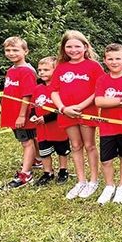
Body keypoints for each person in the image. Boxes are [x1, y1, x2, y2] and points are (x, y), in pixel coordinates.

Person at [50, 30, 104, 200]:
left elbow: (98, 90)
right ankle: (81, 180)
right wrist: (63, 108)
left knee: (89, 145)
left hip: (86, 112)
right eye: (69, 46)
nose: (73, 50)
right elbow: (53, 90)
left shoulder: (94, 66)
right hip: (66, 113)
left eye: (77, 46)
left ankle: (93, 180)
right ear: (63, 48)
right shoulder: (61, 67)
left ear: (85, 47)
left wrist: (80, 106)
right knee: (75, 145)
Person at [94, 44, 122, 204]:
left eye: (118, 58)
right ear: (105, 61)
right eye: (110, 59)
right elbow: (98, 101)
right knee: (106, 159)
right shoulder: (102, 79)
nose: (114, 62)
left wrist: (110, 101)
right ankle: (109, 186)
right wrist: (120, 99)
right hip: (107, 127)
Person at [1, 36, 38, 188]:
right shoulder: (11, 70)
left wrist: (22, 115)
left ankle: (26, 174)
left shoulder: (27, 71)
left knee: (26, 142)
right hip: (12, 113)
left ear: (25, 51)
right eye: (8, 50)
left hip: (22, 114)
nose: (11, 53)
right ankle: (36, 160)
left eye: (15, 50)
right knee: (30, 139)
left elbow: (27, 94)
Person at [31, 56, 71, 186]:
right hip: (42, 130)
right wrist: (32, 116)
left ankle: (63, 170)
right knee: (44, 151)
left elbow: (60, 109)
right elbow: (33, 105)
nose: (41, 72)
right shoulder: (37, 88)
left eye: (46, 70)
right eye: (40, 69)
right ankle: (47, 172)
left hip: (58, 128)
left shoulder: (60, 89)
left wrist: (46, 118)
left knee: (62, 151)